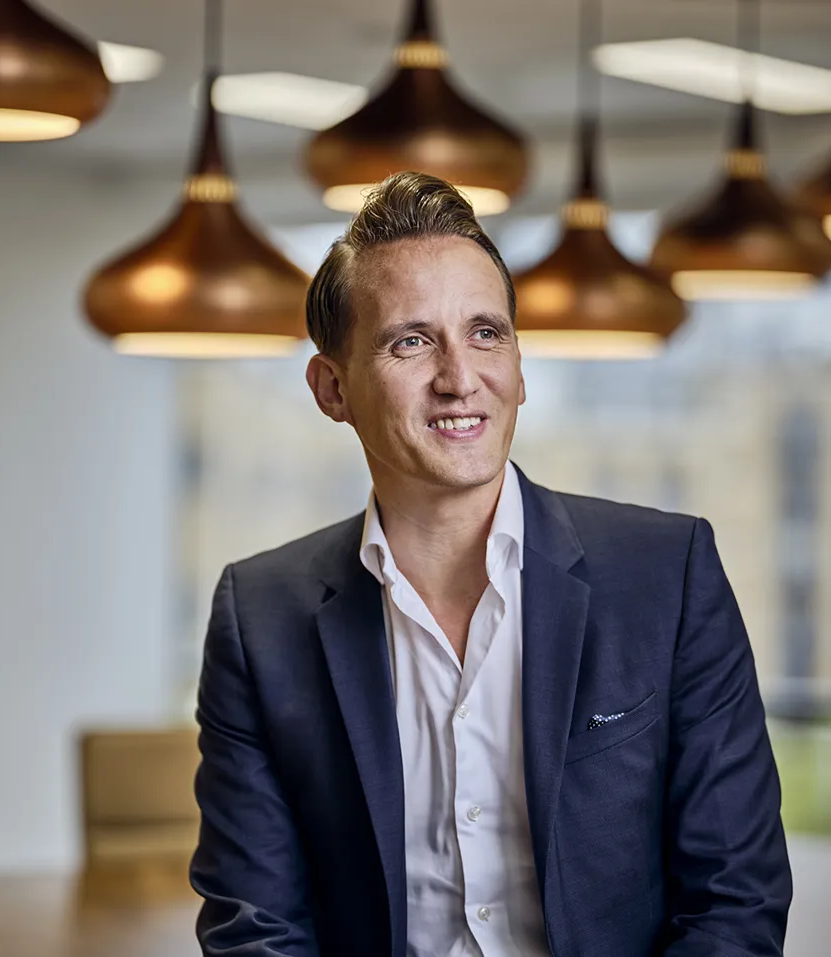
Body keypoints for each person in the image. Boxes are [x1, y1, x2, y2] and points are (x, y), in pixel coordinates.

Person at [189, 171, 792, 957]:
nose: (459, 377)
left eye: (486, 332)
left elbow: (735, 899)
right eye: (411, 340)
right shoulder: (259, 616)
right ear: (332, 387)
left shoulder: (667, 576)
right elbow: (255, 926)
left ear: (519, 364)